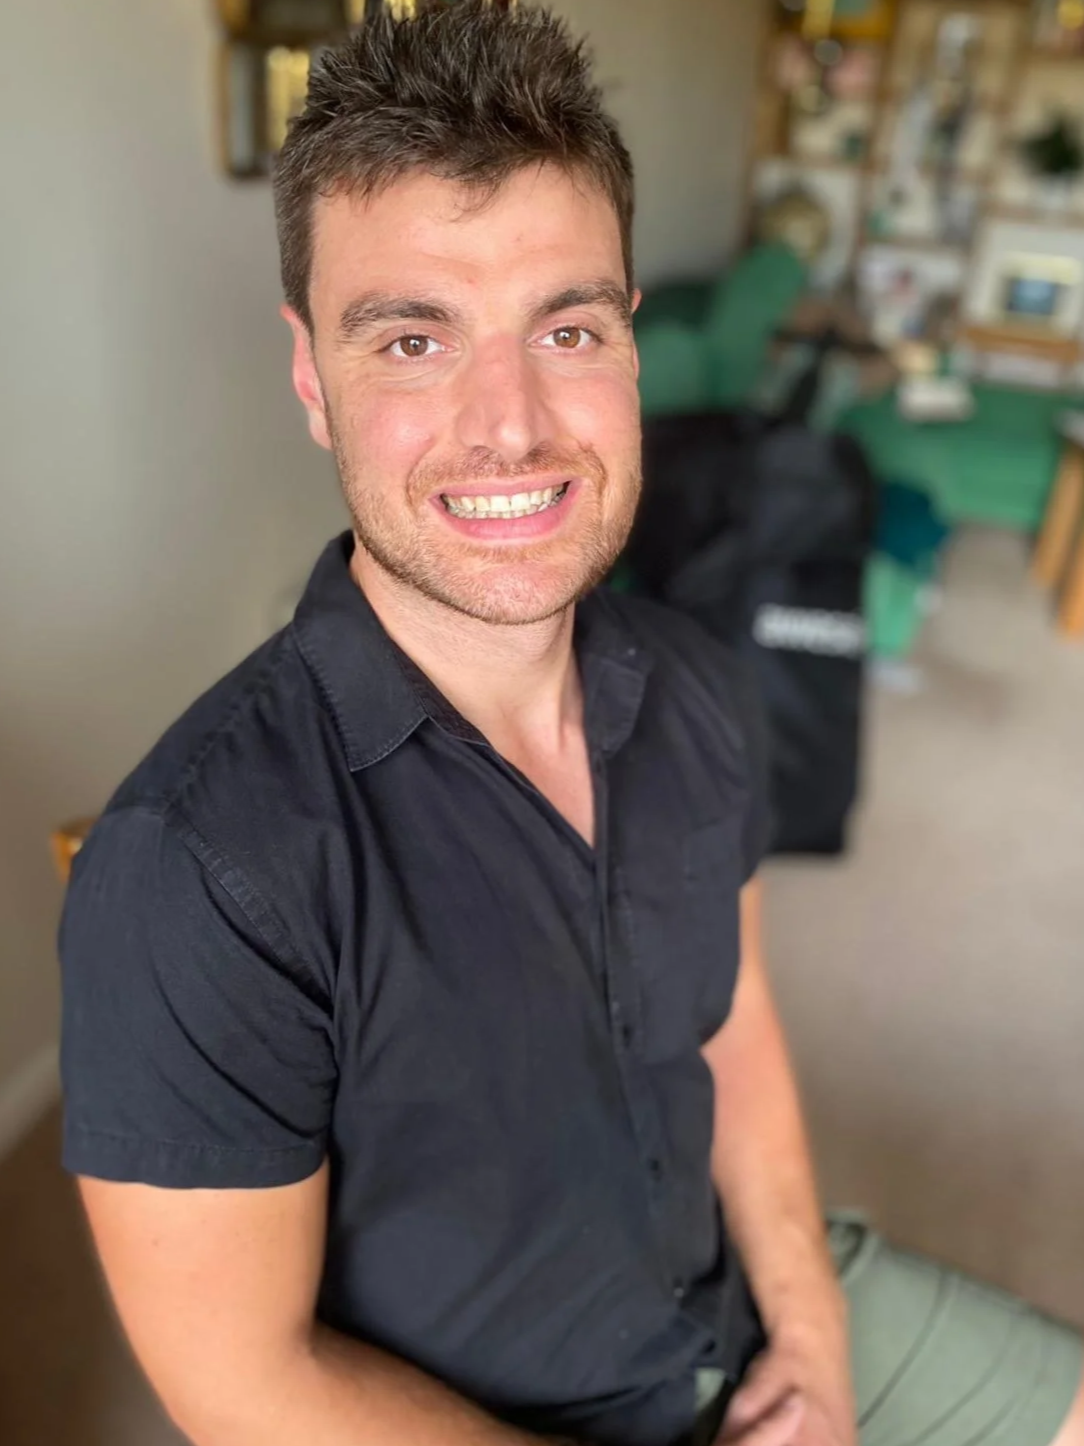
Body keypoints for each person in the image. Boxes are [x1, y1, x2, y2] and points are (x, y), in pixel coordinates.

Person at [59, 5, 1083, 1446]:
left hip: (734, 1314)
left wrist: (815, 1331)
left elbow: (737, 1039)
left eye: (569, 327)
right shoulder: (199, 869)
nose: (516, 424)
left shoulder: (700, 689)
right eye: (414, 339)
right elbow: (247, 1385)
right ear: (311, 378)